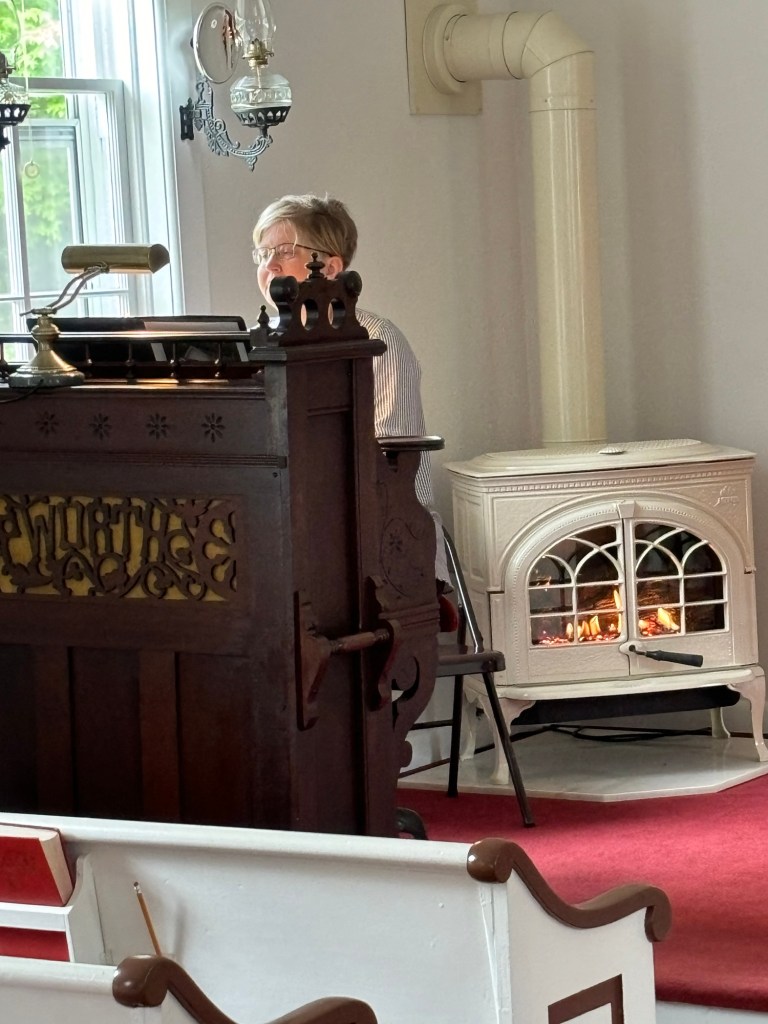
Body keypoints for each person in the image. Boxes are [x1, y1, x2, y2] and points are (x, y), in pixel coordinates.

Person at [252, 193, 449, 588]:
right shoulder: (258, 342)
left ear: (330, 267)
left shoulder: (377, 339)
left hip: (379, 531)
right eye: (262, 253)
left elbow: (391, 461)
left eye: (284, 251)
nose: (269, 265)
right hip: (288, 526)